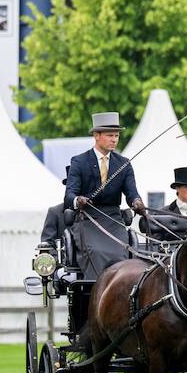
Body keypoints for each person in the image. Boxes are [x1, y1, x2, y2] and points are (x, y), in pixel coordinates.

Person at [63, 112, 147, 279]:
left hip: (113, 219)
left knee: (121, 250)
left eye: (116, 136)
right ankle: (97, 289)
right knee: (96, 251)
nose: (114, 140)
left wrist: (137, 202)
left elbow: (132, 193)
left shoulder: (124, 164)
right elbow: (69, 195)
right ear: (96, 135)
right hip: (87, 219)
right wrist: (78, 200)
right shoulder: (79, 162)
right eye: (110, 135)